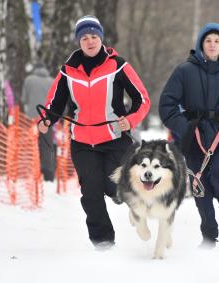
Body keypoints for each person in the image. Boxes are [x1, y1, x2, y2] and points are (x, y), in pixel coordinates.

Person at [38, 15, 150, 249]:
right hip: (82, 141)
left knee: (115, 188)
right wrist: (46, 120)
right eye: (85, 37)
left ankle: (131, 203)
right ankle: (103, 242)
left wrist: (130, 120)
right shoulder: (68, 71)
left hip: (115, 139)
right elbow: (54, 104)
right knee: (91, 191)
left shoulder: (118, 65)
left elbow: (142, 99)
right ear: (79, 42)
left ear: (101, 38)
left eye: (94, 36)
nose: (90, 41)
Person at [159, 23, 219, 247]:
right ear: (201, 43)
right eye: (208, 40)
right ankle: (209, 235)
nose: (212, 45)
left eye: (217, 41)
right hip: (192, 137)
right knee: (200, 188)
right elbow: (167, 106)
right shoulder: (184, 71)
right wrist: (185, 128)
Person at [22, 62, 56, 181]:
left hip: (31, 118)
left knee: (30, 143)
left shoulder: (29, 79)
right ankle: (48, 173)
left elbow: (24, 99)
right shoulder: (52, 81)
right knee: (46, 144)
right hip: (47, 118)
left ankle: (30, 171)